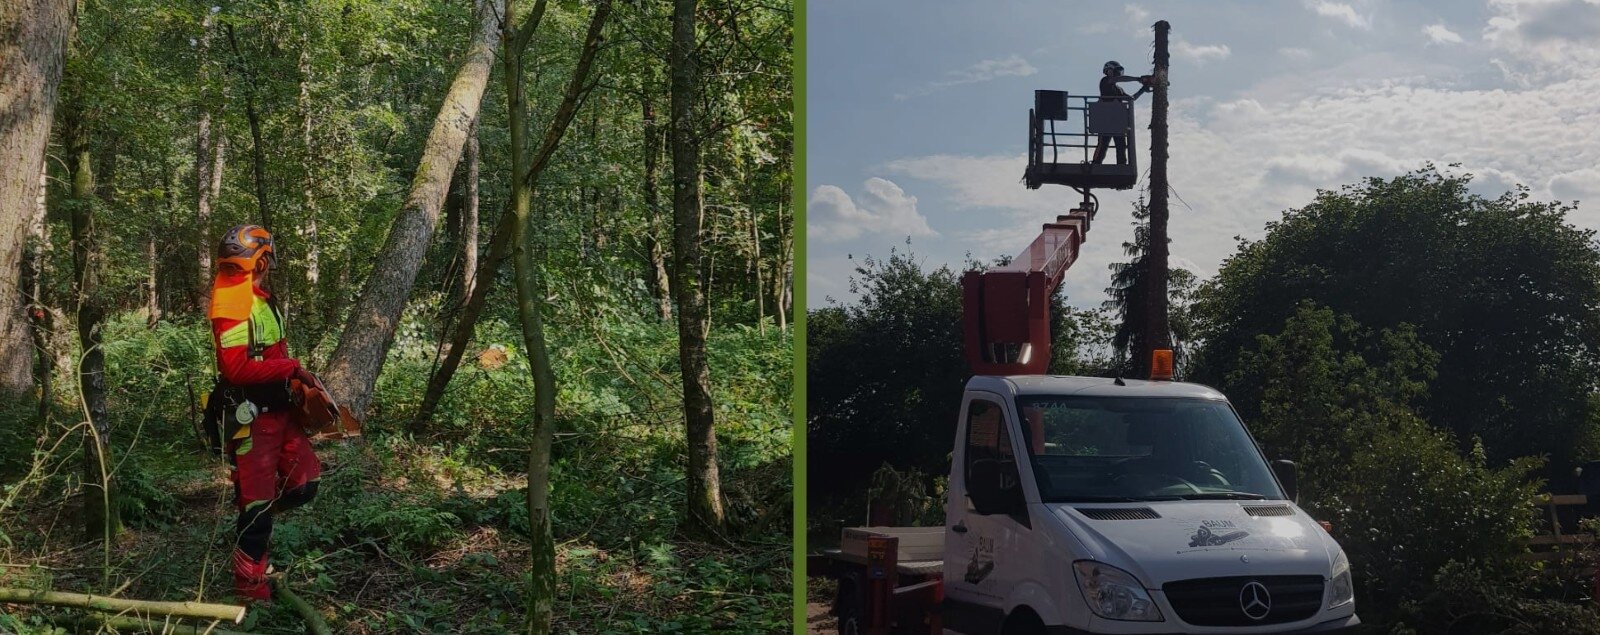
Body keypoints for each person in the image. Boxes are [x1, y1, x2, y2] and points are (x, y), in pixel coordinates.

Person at [207, 224, 322, 603]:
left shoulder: (261, 298)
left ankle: (254, 522)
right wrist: (288, 367)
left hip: (282, 411)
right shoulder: (231, 303)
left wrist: (299, 377)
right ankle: (251, 593)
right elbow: (236, 369)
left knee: (304, 484)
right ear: (259, 259)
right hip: (250, 419)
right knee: (256, 510)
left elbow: (275, 354)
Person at [1092, 60, 1152, 165]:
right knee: (1103, 145)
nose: (1118, 73)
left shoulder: (1119, 89)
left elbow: (1131, 99)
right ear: (1109, 71)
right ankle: (1095, 164)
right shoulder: (1105, 81)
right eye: (1116, 71)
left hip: (1117, 119)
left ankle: (1121, 165)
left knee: (1121, 145)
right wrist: (1137, 79)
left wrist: (1142, 89)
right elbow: (1119, 79)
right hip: (1106, 119)